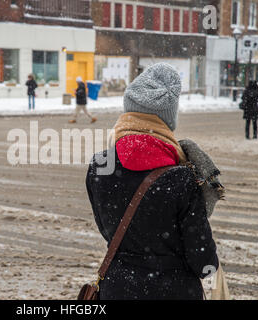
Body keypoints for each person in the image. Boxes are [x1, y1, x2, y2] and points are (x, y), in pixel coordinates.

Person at [86, 63, 220, 300]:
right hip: (173, 291)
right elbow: (203, 262)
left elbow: (110, 233)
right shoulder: (182, 179)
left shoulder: (99, 167)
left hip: (117, 288)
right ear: (168, 119)